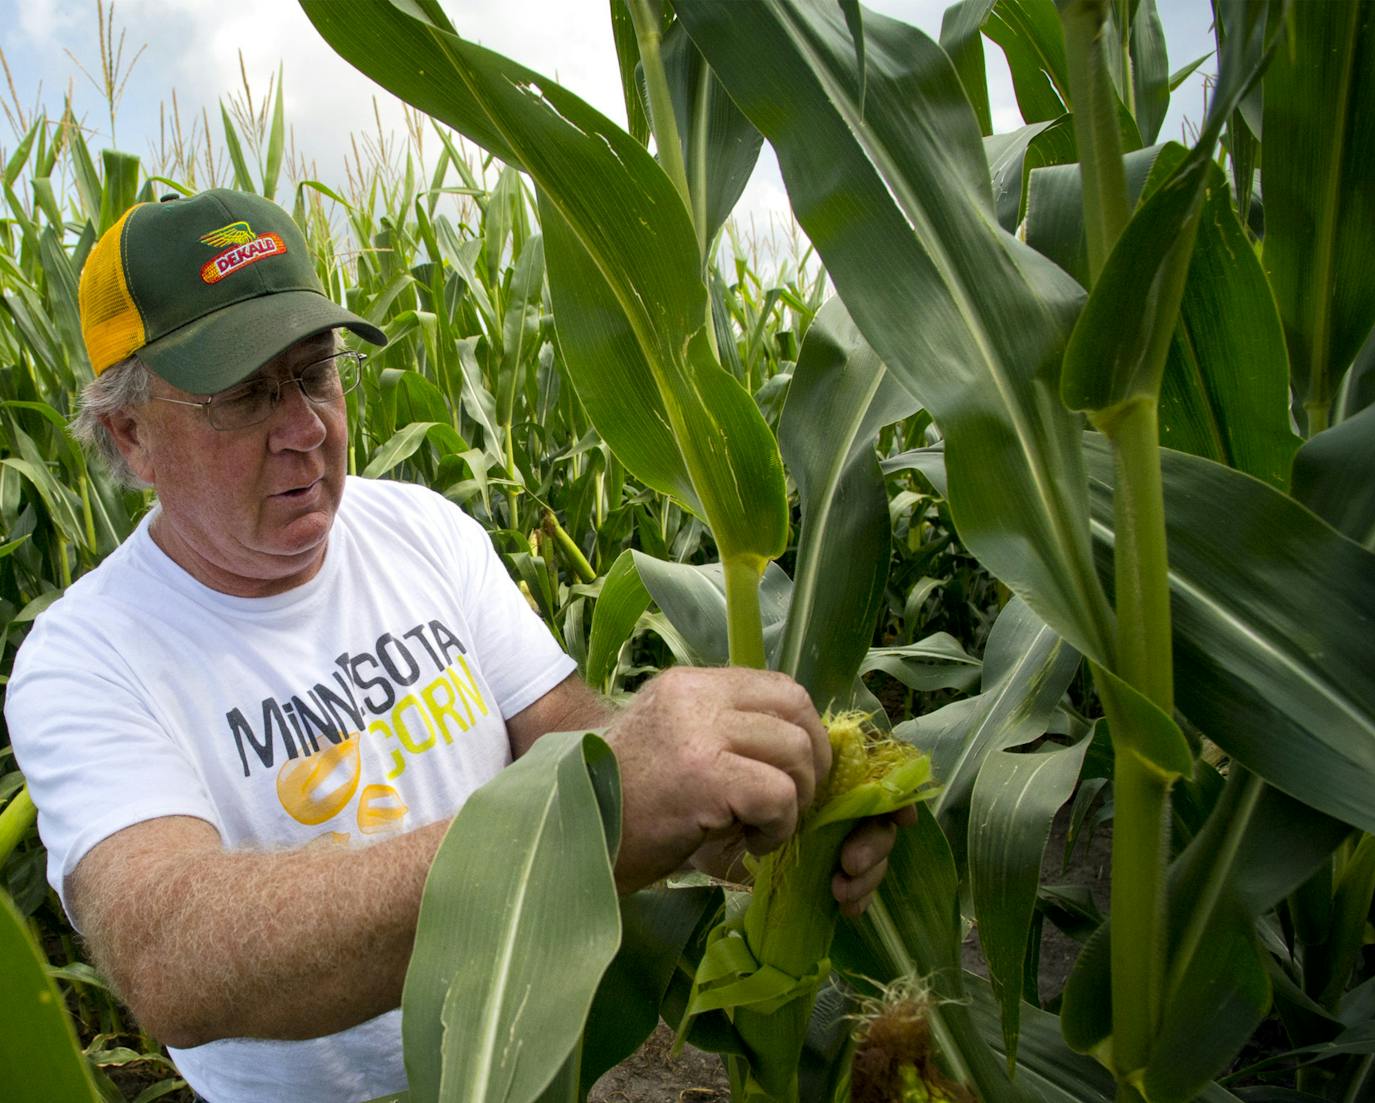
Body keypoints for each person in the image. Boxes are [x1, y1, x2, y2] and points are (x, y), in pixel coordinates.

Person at [4, 189, 906, 1103]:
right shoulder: (87, 656)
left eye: (316, 373)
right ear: (132, 434)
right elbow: (171, 957)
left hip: (533, 1059)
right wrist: (600, 814)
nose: (306, 430)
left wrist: (712, 808)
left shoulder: (421, 530)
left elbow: (559, 728)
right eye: (244, 397)